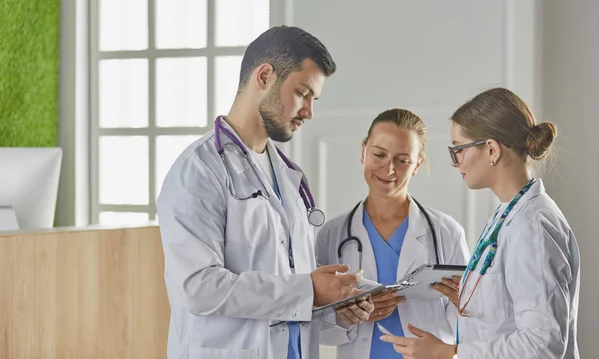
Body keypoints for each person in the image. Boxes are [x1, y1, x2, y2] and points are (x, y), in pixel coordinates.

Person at [156, 26, 374, 359]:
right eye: (303, 93)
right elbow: (198, 288)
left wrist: (334, 306)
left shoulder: (286, 175)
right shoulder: (197, 171)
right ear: (264, 76)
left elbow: (286, 286)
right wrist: (309, 289)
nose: (309, 112)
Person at [380, 87, 581, 359]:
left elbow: (542, 345)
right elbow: (509, 316)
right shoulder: (507, 216)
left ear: (491, 150)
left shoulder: (531, 226)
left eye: (458, 149)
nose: (455, 162)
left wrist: (449, 353)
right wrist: (474, 298)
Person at [315, 108, 471, 358]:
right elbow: (313, 323)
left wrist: (462, 303)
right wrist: (345, 318)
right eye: (379, 154)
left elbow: (471, 322)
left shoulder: (446, 232)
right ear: (363, 151)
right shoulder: (332, 235)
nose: (388, 170)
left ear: (418, 163)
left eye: (403, 160)